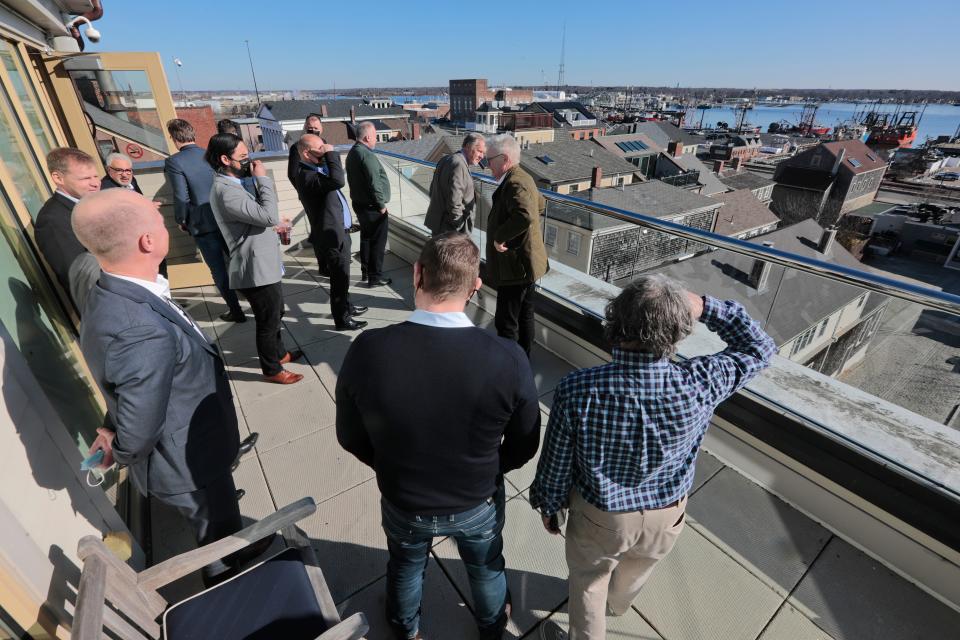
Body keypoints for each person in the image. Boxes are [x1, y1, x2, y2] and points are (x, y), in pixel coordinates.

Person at [529, 275, 776, 640]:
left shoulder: (578, 389)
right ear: (678, 331)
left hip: (602, 515)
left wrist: (548, 503)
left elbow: (557, 462)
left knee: (587, 585)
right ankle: (619, 605)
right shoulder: (702, 382)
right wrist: (708, 306)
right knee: (637, 571)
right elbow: (760, 347)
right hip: (667, 515)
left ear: (615, 323)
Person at [336, 233, 541, 640]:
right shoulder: (508, 358)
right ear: (476, 285)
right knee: (485, 566)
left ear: (417, 274)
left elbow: (350, 435)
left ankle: (406, 626)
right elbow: (525, 442)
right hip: (476, 498)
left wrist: (390, 464)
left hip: (405, 498)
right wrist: (491, 468)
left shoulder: (369, 349)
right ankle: (491, 626)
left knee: (406, 565)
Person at [74, 188, 249, 586]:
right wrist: (117, 447)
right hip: (192, 461)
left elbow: (130, 386)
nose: (160, 214)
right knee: (217, 540)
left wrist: (110, 426)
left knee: (224, 525)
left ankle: (235, 548)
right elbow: (138, 430)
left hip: (191, 449)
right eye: (154, 216)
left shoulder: (111, 292)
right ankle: (231, 582)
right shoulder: (139, 329)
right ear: (147, 241)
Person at [206, 133, 304, 385]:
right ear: (225, 159)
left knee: (276, 311)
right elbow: (268, 215)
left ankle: (279, 354)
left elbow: (258, 221)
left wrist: (274, 228)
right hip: (254, 268)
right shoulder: (226, 191)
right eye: (243, 158)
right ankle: (271, 369)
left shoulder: (232, 185)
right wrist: (263, 179)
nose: (249, 162)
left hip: (263, 263)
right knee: (267, 320)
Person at [164, 118, 246, 323]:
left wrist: (181, 219)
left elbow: (181, 196)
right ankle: (256, 302)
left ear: (173, 138)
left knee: (218, 269)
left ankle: (236, 311)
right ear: (193, 134)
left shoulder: (174, 162)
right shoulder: (210, 154)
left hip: (202, 224)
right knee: (238, 262)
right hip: (226, 216)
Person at [484, 134, 549, 357]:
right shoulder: (525, 177)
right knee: (525, 314)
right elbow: (540, 205)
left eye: (489, 160)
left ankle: (510, 369)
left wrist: (500, 237)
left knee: (507, 322)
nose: (486, 165)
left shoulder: (514, 182)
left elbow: (525, 215)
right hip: (526, 263)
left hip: (515, 268)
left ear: (504, 159)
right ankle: (523, 361)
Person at [295, 134, 368, 331]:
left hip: (340, 231)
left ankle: (348, 307)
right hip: (331, 237)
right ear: (306, 153)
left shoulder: (316, 168)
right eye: (320, 148)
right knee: (339, 280)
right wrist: (331, 153)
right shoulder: (306, 176)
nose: (325, 149)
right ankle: (342, 319)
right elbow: (338, 180)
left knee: (343, 275)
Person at [34, 147, 100, 297]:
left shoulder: (91, 204)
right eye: (85, 178)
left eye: (96, 176)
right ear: (58, 178)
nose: (95, 183)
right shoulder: (52, 221)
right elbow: (81, 280)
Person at [101, 151, 168, 278]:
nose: (125, 175)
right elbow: (116, 218)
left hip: (148, 237)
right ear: (109, 170)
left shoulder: (133, 181)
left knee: (160, 272)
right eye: (120, 170)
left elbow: (139, 200)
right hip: (132, 244)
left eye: (128, 170)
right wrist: (144, 207)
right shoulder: (105, 190)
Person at [346, 120, 391, 287]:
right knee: (378, 243)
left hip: (360, 204)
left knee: (366, 239)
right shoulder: (366, 154)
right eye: (374, 137)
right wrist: (381, 206)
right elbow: (374, 183)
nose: (376, 140)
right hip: (373, 207)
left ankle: (366, 272)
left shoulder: (353, 152)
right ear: (366, 137)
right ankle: (375, 277)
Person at [424, 133, 486, 235]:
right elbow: (454, 202)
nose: (482, 156)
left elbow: (432, 190)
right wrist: (458, 226)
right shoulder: (459, 165)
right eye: (479, 151)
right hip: (450, 230)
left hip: (439, 226)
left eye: (483, 153)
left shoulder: (446, 159)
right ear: (467, 147)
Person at [288, 113, 324, 186]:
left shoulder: (325, 143)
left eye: (316, 128)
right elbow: (293, 175)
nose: (313, 130)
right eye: (310, 128)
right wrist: (304, 193)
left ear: (321, 129)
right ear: (305, 128)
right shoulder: (296, 147)